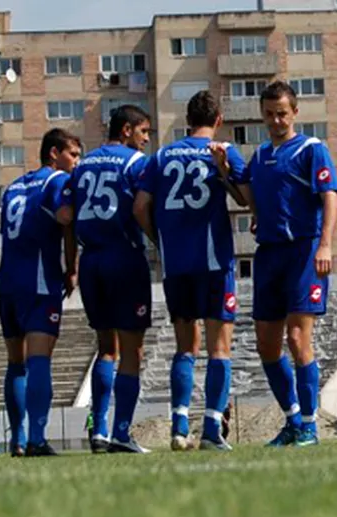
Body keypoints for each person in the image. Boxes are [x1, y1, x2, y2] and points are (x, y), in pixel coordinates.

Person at [134, 91, 249, 452]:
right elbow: (245, 197)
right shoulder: (224, 150)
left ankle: (179, 426)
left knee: (185, 346)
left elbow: (140, 207)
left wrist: (161, 240)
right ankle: (212, 429)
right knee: (219, 347)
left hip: (177, 264)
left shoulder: (162, 155)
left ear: (187, 120)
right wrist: (223, 171)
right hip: (213, 262)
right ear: (218, 119)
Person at [245, 81, 337, 448]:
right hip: (268, 253)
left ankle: (310, 425)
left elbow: (329, 196)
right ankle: (291, 419)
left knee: (298, 338)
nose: (276, 120)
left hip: (303, 250)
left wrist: (326, 244)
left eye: (282, 113)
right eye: (269, 114)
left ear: (295, 112)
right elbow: (252, 193)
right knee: (267, 346)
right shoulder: (260, 155)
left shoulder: (312, 149)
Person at [62, 105, 153, 454]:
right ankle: (122, 433)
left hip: (91, 261)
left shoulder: (81, 164)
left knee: (106, 348)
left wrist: (70, 266)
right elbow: (142, 208)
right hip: (123, 257)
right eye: (143, 131)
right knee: (132, 350)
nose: (146, 139)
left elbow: (68, 218)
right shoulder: (136, 163)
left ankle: (98, 429)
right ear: (127, 130)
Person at [0, 128, 82, 457]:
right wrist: (72, 264)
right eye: (73, 154)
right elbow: (65, 216)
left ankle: (17, 438)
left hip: (7, 282)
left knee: (15, 363)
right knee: (39, 359)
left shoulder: (14, 186)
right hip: (38, 281)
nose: (77, 162)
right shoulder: (57, 181)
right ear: (53, 153)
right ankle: (36, 438)